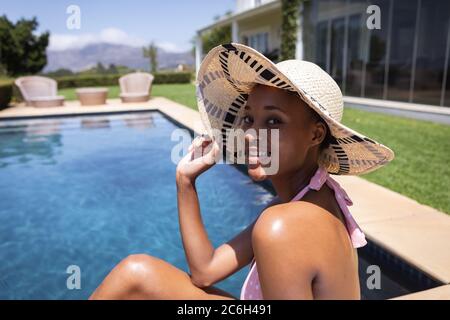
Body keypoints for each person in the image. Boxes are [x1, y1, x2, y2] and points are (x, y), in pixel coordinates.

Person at [90, 43, 394, 300]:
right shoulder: (304, 202)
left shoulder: (284, 225)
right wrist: (185, 181)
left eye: (274, 122)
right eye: (249, 119)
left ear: (315, 135)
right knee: (136, 273)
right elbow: (205, 270)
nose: (250, 135)